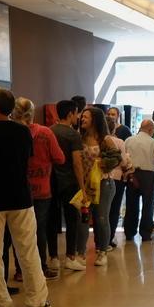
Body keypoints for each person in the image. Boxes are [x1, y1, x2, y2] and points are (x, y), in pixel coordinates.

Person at [0, 88, 50, 307]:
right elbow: (27, 158)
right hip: (20, 197)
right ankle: (37, 299)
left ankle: (0, 301)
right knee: (27, 248)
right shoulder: (23, 132)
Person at [13, 97, 64, 277]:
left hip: (18, 188)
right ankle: (39, 267)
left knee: (18, 231)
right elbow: (60, 158)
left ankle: (20, 270)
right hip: (42, 189)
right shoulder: (45, 132)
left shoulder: (13, 133)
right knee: (39, 229)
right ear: (33, 113)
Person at [79, 106, 123, 265]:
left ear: (95, 120)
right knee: (83, 218)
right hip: (85, 184)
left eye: (86, 117)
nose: (82, 119)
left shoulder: (105, 139)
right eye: (82, 116)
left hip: (104, 183)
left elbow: (117, 159)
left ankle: (102, 251)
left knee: (101, 217)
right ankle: (80, 252)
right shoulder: (80, 138)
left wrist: (102, 163)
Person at [49, 100, 86, 272]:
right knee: (73, 219)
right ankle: (71, 256)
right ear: (71, 114)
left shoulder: (48, 131)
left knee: (52, 219)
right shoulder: (73, 135)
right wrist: (82, 187)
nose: (77, 117)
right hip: (70, 182)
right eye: (77, 114)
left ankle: (53, 257)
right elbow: (77, 163)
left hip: (50, 181)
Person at [123, 119, 154, 242]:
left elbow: (124, 158)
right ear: (150, 129)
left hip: (132, 175)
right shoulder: (153, 143)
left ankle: (129, 233)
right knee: (148, 205)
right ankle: (145, 234)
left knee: (131, 204)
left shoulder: (128, 140)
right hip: (148, 176)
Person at [106, 106, 131, 244]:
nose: (111, 115)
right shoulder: (109, 139)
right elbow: (124, 159)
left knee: (112, 208)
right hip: (113, 176)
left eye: (113, 113)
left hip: (117, 176)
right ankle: (107, 238)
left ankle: (108, 237)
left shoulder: (124, 131)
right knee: (111, 208)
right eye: (109, 113)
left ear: (119, 115)